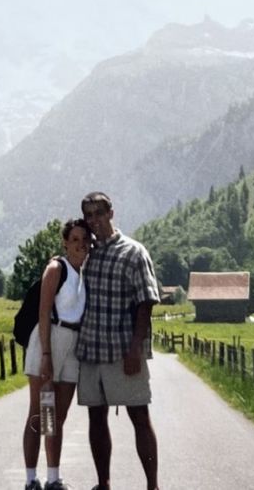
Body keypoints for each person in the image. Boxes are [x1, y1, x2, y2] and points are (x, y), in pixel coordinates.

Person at [76, 191, 161, 490]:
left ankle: (152, 485)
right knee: (96, 419)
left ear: (111, 213)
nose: (94, 220)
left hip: (123, 349)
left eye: (99, 213)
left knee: (139, 414)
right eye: (89, 215)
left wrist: (135, 347)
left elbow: (146, 301)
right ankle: (104, 484)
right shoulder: (87, 254)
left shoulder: (134, 252)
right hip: (91, 350)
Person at [22, 218, 91, 490]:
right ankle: (30, 479)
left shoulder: (85, 271)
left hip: (72, 343)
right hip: (48, 339)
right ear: (65, 242)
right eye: (74, 239)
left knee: (57, 417)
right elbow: (43, 311)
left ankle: (53, 478)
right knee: (39, 414)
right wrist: (47, 355)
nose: (80, 244)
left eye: (84, 239)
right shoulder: (56, 268)